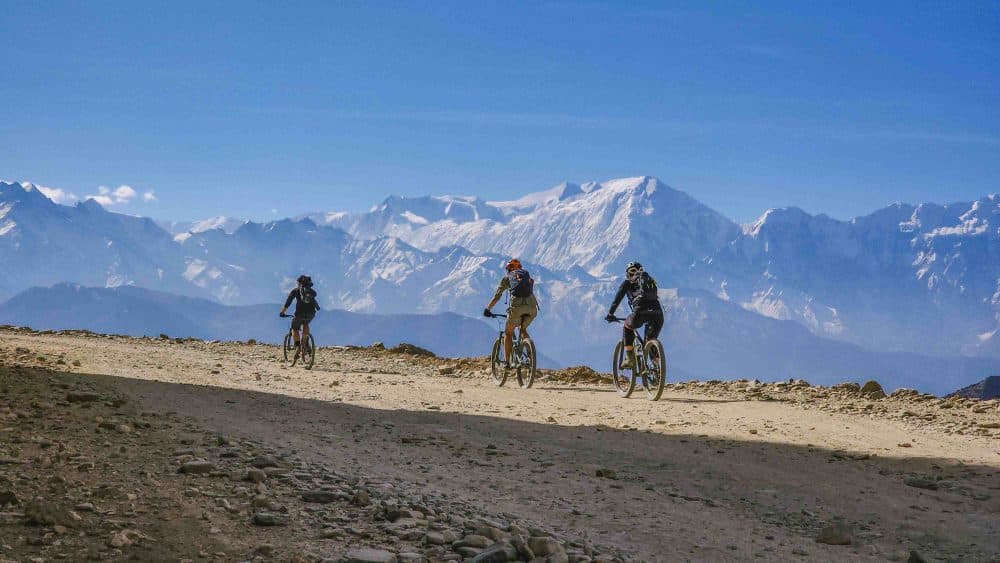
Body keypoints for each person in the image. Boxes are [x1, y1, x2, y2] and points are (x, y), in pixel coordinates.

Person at [483, 259, 539, 371]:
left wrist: (488, 309)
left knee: (508, 333)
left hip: (517, 309)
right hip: (532, 308)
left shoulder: (506, 279)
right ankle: (530, 355)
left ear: (509, 269)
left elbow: (497, 296)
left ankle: (507, 363)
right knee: (522, 329)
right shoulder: (528, 278)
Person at [605, 261, 663, 370]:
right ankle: (658, 370)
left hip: (640, 312)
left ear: (628, 274)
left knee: (627, 325)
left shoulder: (627, 283)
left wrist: (610, 314)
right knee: (650, 340)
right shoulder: (649, 280)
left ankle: (630, 358)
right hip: (658, 314)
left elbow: (616, 300)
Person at [280, 275, 320, 352]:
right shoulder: (311, 292)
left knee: (295, 328)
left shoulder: (295, 291)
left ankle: (298, 346)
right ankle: (305, 343)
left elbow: (288, 303)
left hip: (299, 314)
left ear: (299, 283)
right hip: (311, 314)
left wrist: (282, 312)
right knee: (306, 324)